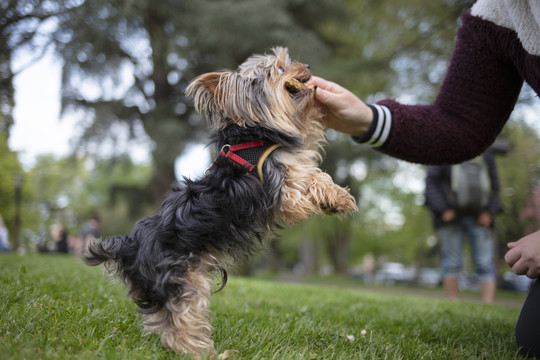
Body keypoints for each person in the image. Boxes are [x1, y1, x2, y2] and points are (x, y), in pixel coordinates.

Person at [311, 0, 540, 357]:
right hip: (453, 215)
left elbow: (492, 184)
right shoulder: (496, 14)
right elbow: (459, 125)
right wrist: (366, 120)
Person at [425, 150, 502, 303]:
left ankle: (488, 304)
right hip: (451, 216)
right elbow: (432, 182)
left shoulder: (485, 151)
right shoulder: (442, 149)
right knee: (452, 261)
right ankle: (453, 301)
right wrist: (443, 209)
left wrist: (489, 211)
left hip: (480, 216)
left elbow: (494, 184)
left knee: (484, 262)